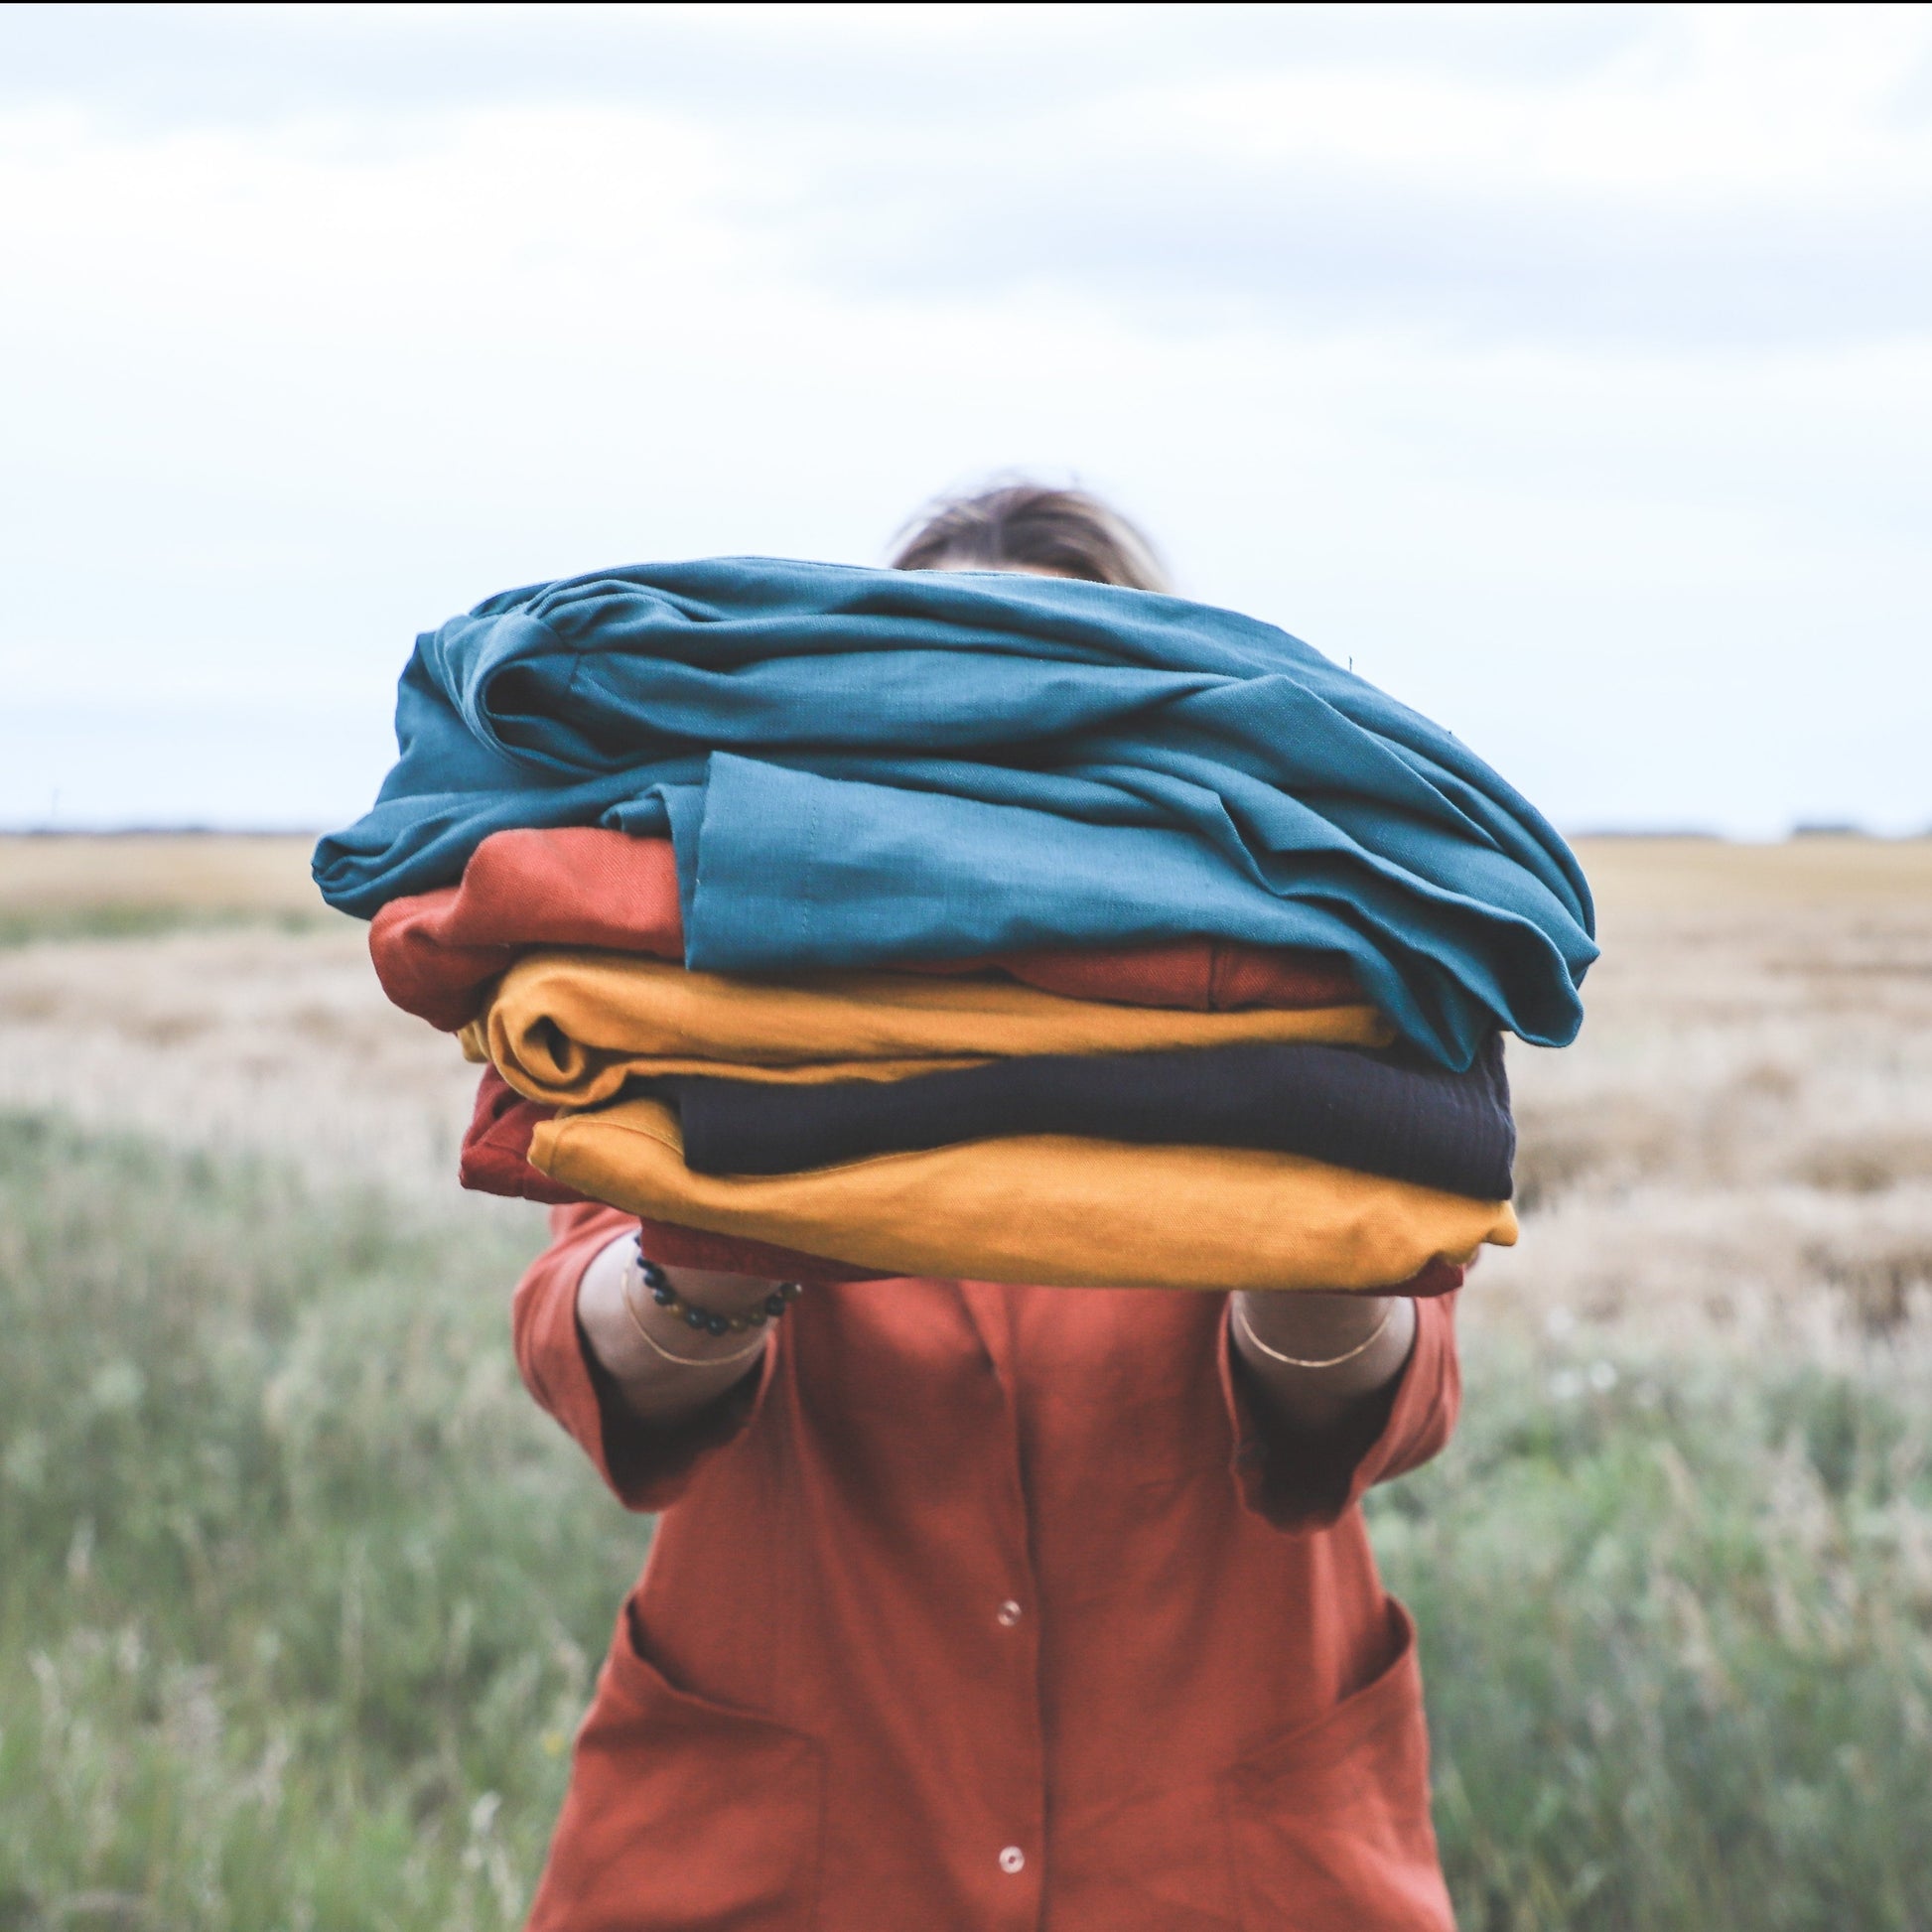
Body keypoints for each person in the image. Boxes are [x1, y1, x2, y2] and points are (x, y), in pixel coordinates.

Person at [513, 483, 1461, 1931]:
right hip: (798, 1854)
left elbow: (1384, 1392)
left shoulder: (1279, 961)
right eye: (950, 698)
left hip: (1213, 1847)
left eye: (1056, 704)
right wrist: (724, 1227)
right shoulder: (734, 973)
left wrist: (1307, 1220)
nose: (1001, 757)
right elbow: (598, 1349)